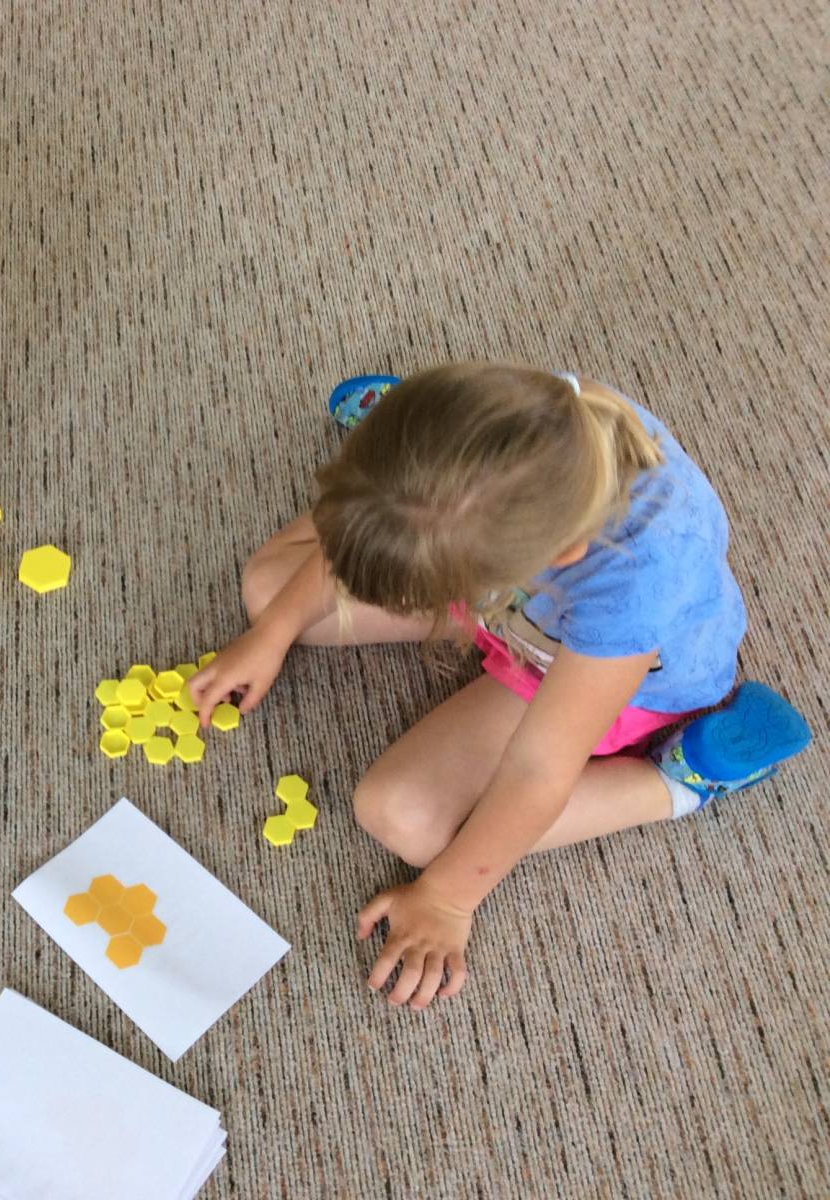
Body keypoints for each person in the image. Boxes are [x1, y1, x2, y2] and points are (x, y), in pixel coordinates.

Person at [189, 364, 811, 1008]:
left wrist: (447, 898)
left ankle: (676, 783)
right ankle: (413, 496)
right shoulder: (534, 423)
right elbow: (327, 572)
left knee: (405, 818)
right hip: (506, 598)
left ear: (550, 557)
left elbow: (539, 771)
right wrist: (274, 631)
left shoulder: (634, 585)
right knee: (270, 592)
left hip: (597, 678)